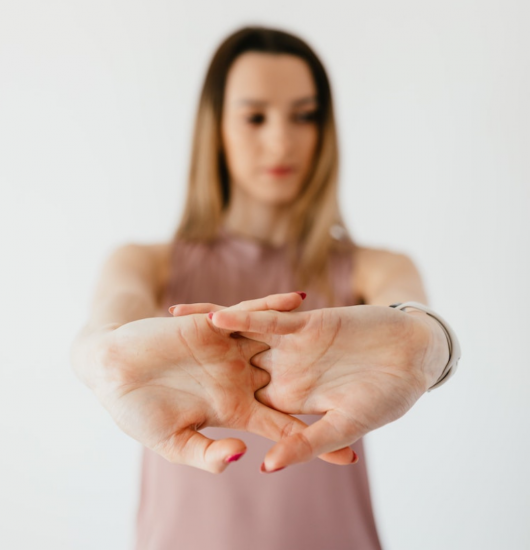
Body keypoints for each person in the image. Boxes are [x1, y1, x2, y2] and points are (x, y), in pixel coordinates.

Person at [71, 26, 457, 550]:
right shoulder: (145, 263)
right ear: (216, 128)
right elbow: (105, 329)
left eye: (304, 115)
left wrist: (433, 347)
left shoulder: (373, 268)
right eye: (255, 117)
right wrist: (100, 360)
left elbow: (418, 322)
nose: (281, 140)